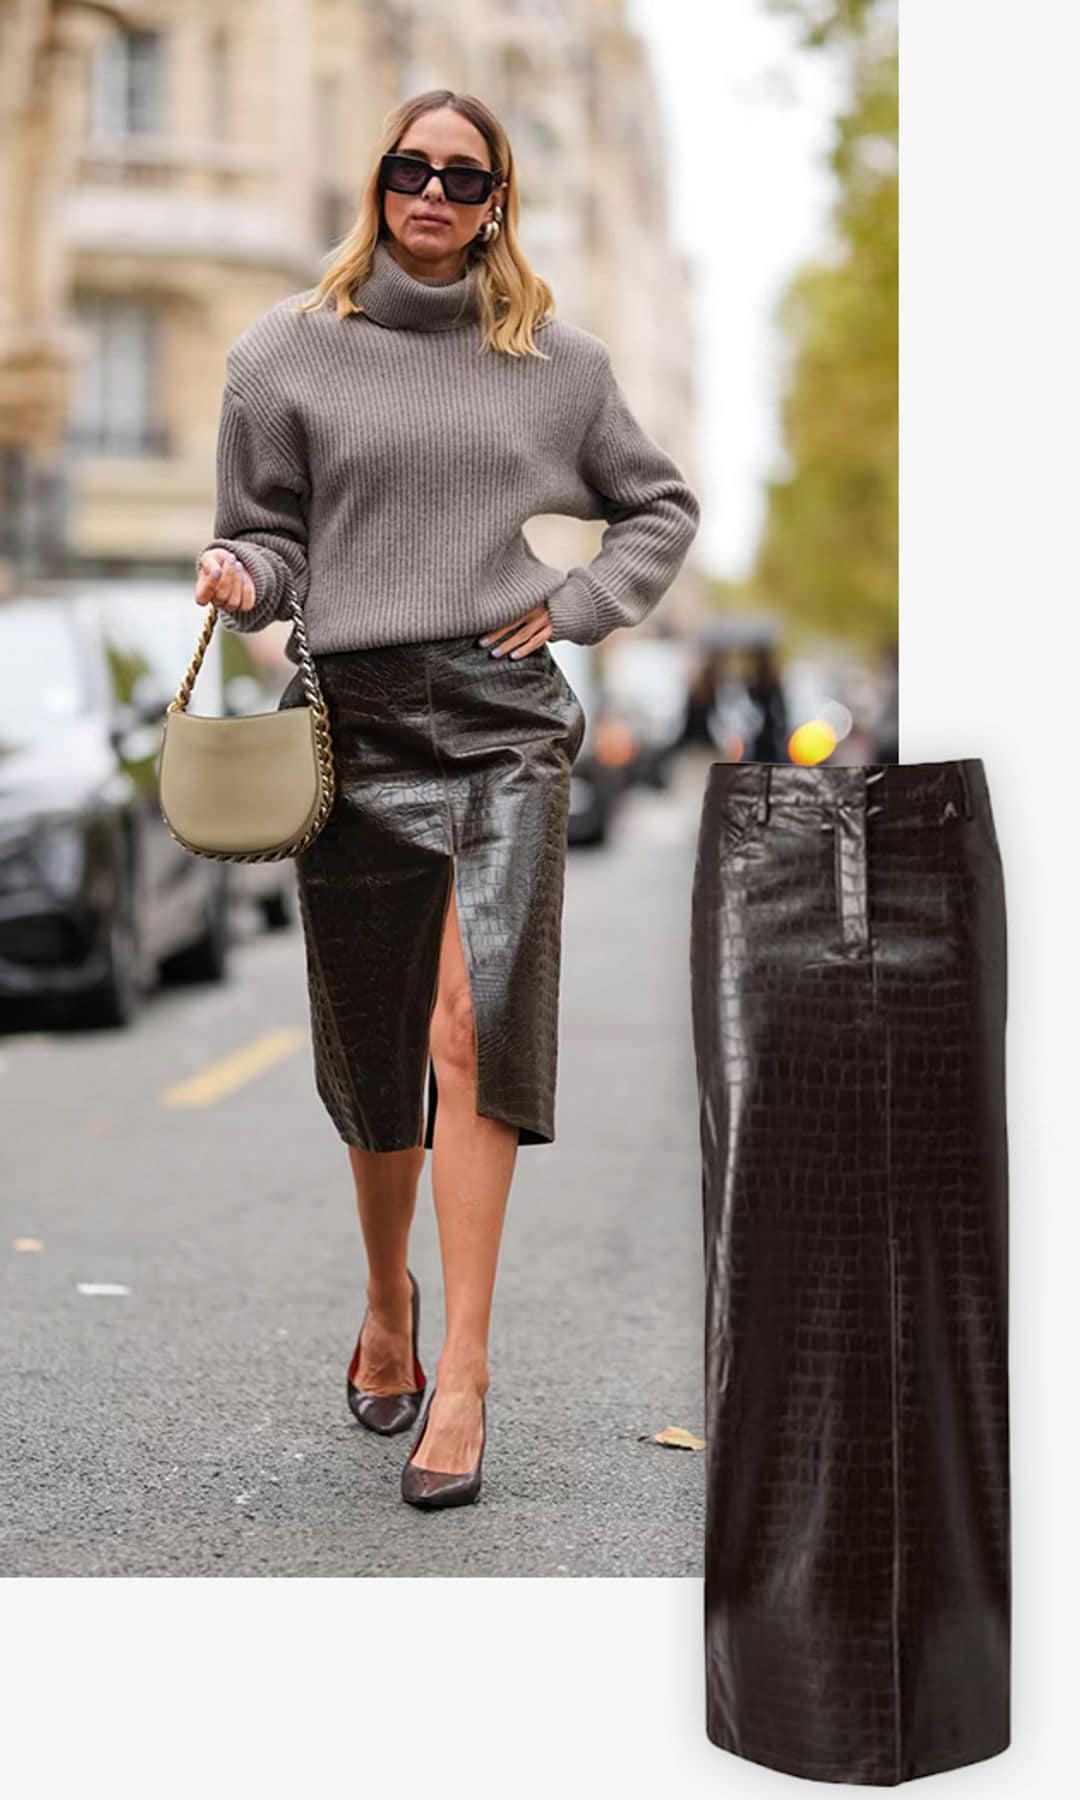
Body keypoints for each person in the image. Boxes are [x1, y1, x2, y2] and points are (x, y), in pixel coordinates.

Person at [194, 89, 700, 1510]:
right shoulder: (283, 352)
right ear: (377, 184)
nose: (430, 191)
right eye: (407, 167)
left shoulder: (556, 362)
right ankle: (386, 1300)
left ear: (495, 201)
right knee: (376, 1057)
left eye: (459, 175)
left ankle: (465, 1369)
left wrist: (587, 600)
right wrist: (243, 576)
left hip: (500, 720)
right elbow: (269, 538)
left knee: (472, 1026)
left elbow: (657, 504)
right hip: (350, 721)